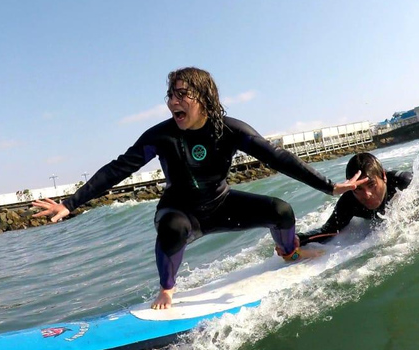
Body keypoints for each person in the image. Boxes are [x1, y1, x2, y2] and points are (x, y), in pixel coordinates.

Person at [33, 67, 365, 309]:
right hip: (181, 211)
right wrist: (71, 203)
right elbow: (120, 168)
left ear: (203, 98)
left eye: (181, 94)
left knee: (280, 211)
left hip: (221, 206)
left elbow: (277, 157)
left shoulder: (230, 130)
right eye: (170, 95)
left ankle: (290, 252)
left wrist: (329, 186)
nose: (171, 102)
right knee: (173, 229)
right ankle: (167, 288)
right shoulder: (161, 136)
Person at [297, 152, 412, 246]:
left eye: (372, 185)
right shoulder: (349, 201)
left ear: (384, 177)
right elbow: (328, 231)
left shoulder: (403, 182)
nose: (367, 194)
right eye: (358, 188)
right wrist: (297, 239)